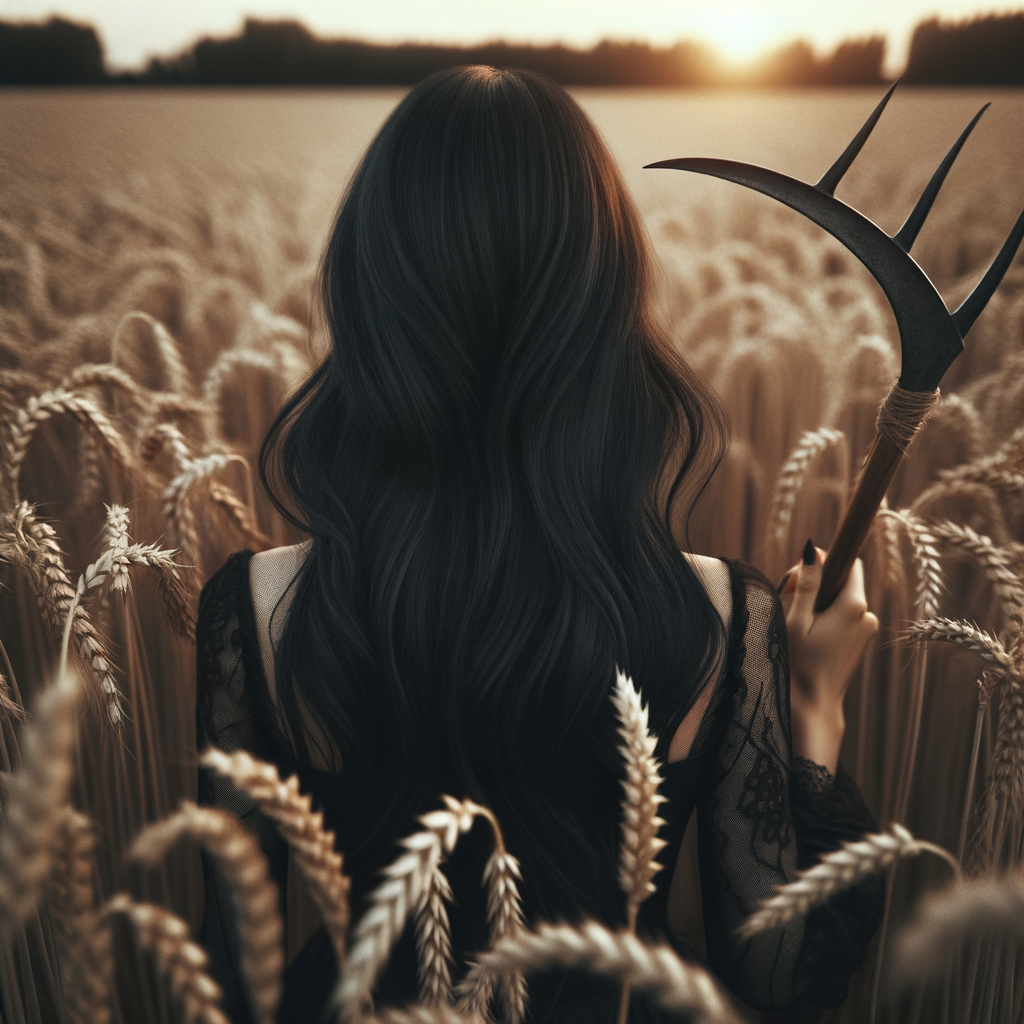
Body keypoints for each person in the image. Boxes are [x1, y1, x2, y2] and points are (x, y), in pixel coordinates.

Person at [195, 65, 884, 1024]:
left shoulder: (256, 613)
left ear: (371, 291)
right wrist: (812, 705)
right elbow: (780, 983)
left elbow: (234, 978)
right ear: (605, 307)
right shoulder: (726, 616)